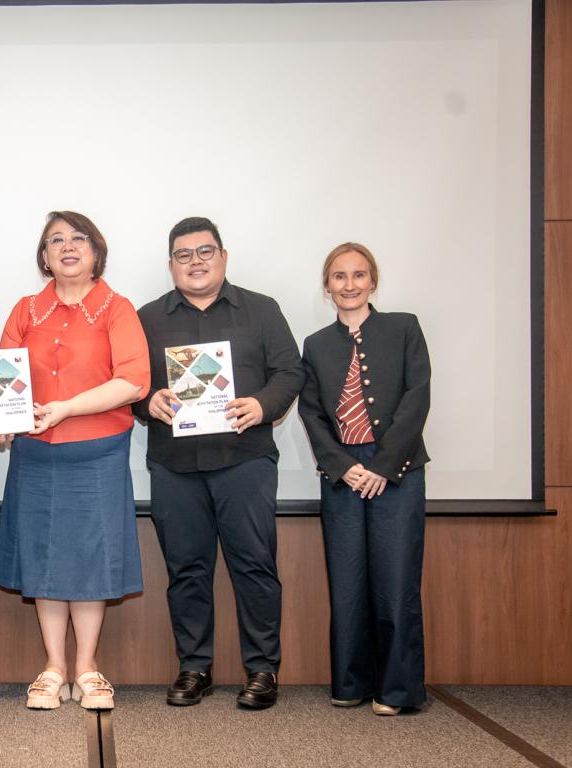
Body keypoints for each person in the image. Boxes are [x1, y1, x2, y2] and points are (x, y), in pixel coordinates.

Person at [134, 216, 302, 710]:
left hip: (244, 460)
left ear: (223, 257)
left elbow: (290, 372)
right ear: (171, 265)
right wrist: (147, 402)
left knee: (254, 565)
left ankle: (263, 669)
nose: (196, 262)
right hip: (175, 465)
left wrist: (263, 405)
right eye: (184, 255)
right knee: (186, 569)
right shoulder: (147, 318)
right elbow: (129, 382)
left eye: (205, 251)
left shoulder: (262, 309)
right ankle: (194, 667)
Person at [0, 211, 150, 711]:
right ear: (44, 256)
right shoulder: (25, 310)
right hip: (36, 455)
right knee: (43, 558)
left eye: (78, 238)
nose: (67, 247)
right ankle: (53, 667)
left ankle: (86, 668)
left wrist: (67, 407)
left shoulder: (117, 309)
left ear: (95, 251)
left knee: (90, 558)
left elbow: (133, 382)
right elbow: (3, 382)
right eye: (55, 240)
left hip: (97, 453)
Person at [299, 242, 430, 716]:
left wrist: (382, 466)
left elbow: (417, 398)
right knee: (348, 583)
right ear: (327, 286)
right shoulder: (316, 344)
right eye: (339, 276)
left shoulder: (404, 327)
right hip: (343, 474)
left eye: (358, 275)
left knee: (395, 582)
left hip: (396, 470)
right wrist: (341, 466)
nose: (349, 284)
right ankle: (350, 682)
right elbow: (312, 413)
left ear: (372, 281)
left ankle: (397, 690)